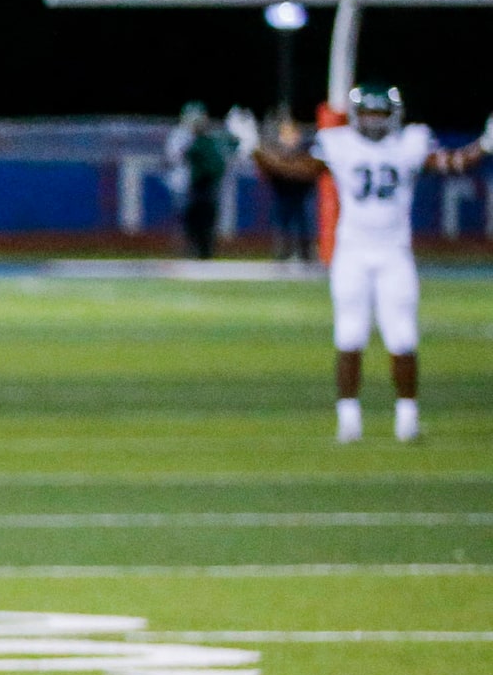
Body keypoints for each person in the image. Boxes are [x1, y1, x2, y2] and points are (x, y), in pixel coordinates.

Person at [252, 83, 485, 442]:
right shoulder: (339, 143)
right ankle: (349, 421)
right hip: (354, 252)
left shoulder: (410, 143)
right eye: (369, 113)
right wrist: (255, 148)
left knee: (403, 336)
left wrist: (483, 146)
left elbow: (450, 163)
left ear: (394, 115)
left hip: (394, 252)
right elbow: (292, 169)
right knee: (349, 334)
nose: (374, 121)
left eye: (380, 113)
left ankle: (407, 419)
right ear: (357, 115)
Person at [166, 100, 233, 260]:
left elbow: (220, 160)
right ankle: (189, 249)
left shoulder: (208, 136)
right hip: (185, 185)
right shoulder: (180, 134)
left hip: (203, 184)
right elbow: (174, 157)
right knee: (187, 220)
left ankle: (203, 251)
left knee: (205, 220)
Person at [264, 112, 319, 262]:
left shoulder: (304, 151)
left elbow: (310, 170)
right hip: (283, 194)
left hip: (301, 194)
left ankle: (305, 254)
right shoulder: (277, 153)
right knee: (283, 225)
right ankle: (283, 253)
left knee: (304, 224)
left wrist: (292, 171)